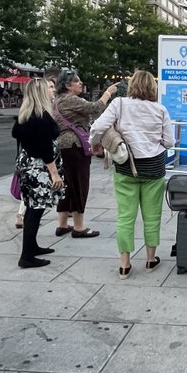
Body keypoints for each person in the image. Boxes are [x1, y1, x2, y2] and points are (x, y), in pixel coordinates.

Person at [89, 70, 174, 280]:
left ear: (132, 85)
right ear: (153, 88)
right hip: (154, 168)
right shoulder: (160, 109)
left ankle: (125, 264)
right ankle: (150, 260)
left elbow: (98, 126)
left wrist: (94, 143)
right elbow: (170, 142)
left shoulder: (119, 104)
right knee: (152, 216)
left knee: (126, 216)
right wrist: (154, 143)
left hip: (126, 166)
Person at [52, 71, 118, 238]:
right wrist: (108, 93)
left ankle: (62, 224)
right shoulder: (71, 99)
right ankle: (79, 226)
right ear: (67, 85)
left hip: (63, 146)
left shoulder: (58, 101)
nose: (80, 83)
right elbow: (96, 107)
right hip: (75, 145)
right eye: (77, 81)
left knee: (67, 185)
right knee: (79, 184)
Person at [11, 80, 64, 268]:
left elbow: (16, 133)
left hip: (28, 166)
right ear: (41, 93)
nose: (53, 91)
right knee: (35, 210)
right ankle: (26, 256)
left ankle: (31, 247)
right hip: (38, 169)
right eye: (49, 89)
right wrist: (55, 174)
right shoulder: (40, 117)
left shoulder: (25, 115)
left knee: (32, 207)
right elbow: (45, 148)